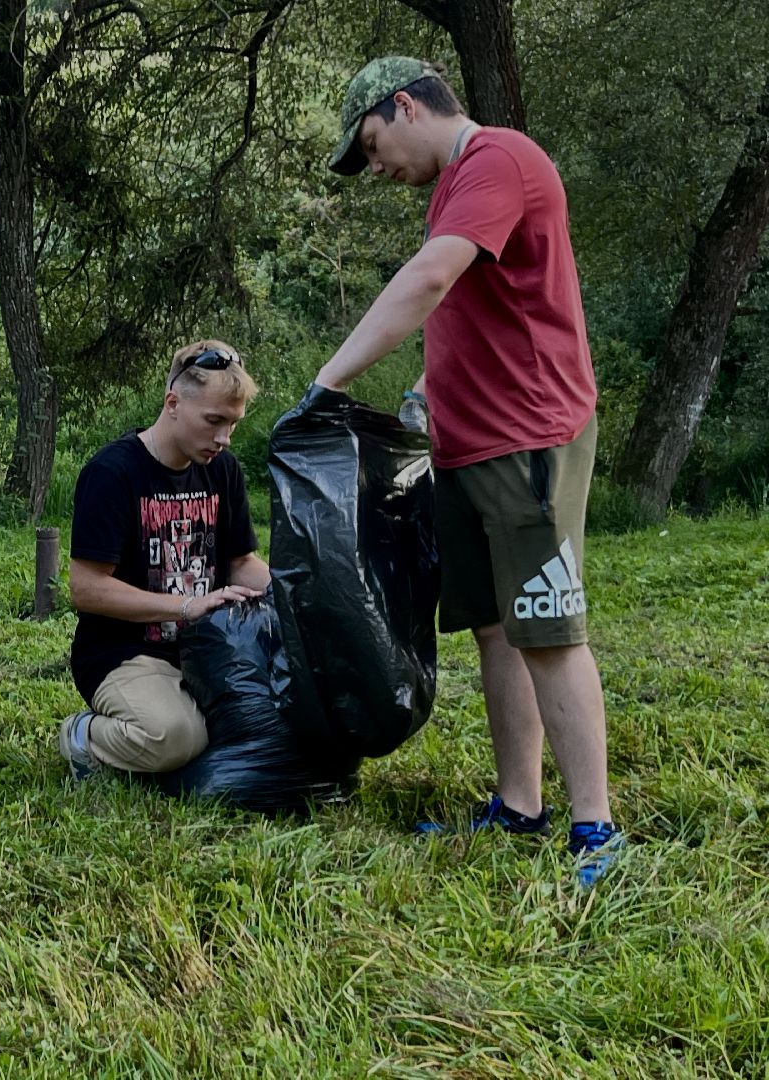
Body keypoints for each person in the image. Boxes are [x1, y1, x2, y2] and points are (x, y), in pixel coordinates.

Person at [317, 57, 621, 886]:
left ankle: (596, 828)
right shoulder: (453, 189)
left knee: (549, 631)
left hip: (529, 438)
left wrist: (329, 380)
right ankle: (520, 805)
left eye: (372, 145)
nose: (375, 168)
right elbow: (474, 308)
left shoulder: (499, 160)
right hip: (468, 443)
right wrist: (425, 387)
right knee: (493, 627)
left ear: (406, 106)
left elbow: (430, 280)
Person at [60, 341, 271, 779]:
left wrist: (299, 592)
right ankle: (83, 736)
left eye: (232, 424)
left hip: (208, 649)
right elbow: (86, 589)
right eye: (213, 421)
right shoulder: (112, 473)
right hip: (124, 653)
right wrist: (186, 606)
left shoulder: (223, 469)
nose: (223, 439)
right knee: (176, 738)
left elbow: (241, 562)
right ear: (172, 402)